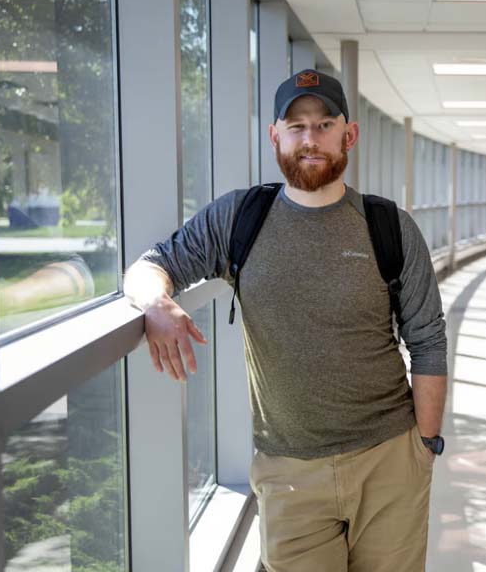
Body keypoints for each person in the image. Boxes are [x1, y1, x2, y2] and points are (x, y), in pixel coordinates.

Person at [123, 69, 448, 572]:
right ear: (274, 136)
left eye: (323, 125)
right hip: (288, 472)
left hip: (390, 460)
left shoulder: (389, 226)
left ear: (350, 134)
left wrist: (424, 446)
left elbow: (427, 339)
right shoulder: (239, 219)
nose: (310, 139)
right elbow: (151, 266)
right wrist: (157, 304)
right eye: (296, 127)